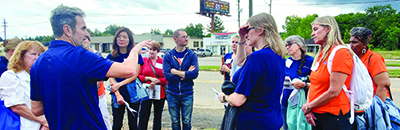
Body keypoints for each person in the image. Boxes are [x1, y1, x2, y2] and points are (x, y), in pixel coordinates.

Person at [30, 5, 152, 129]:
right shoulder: (81, 56)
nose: (87, 33)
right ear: (67, 30)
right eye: (83, 28)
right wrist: (135, 49)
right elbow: (129, 70)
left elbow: (36, 109)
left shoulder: (38, 63)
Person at [218, 12, 287, 129]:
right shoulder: (278, 55)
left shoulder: (257, 57)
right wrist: (241, 38)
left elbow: (238, 100)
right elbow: (239, 62)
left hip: (252, 121)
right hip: (270, 120)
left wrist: (224, 97)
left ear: (260, 30)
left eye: (248, 29)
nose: (246, 35)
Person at [302, 16, 353, 130]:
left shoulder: (340, 53)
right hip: (317, 113)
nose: (312, 34)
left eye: (315, 29)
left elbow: (334, 91)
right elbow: (314, 84)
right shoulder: (322, 54)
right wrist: (310, 108)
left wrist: (309, 106)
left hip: (333, 116)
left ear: (328, 29)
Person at [349, 27, 391, 129]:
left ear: (364, 44)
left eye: (355, 42)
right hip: (358, 107)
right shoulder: (353, 58)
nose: (351, 45)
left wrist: (375, 110)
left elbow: (383, 84)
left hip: (371, 107)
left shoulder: (374, 58)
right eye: (350, 42)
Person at [0, 41, 48, 129]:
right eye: (33, 54)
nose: (37, 58)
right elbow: (16, 107)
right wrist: (43, 121)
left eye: (40, 55)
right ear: (21, 56)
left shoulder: (42, 77)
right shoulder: (10, 76)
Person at [106, 27, 143, 130]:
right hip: (116, 92)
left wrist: (120, 84)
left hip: (132, 92)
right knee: (117, 124)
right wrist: (117, 92)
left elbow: (134, 75)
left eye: (124, 37)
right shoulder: (111, 56)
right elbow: (110, 75)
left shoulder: (135, 55)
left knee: (133, 124)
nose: (121, 39)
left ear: (129, 40)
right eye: (119, 36)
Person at [163, 29, 199, 130]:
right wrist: (186, 74)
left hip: (187, 93)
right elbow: (167, 76)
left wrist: (175, 72)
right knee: (174, 121)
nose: (186, 39)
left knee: (187, 121)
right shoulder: (168, 55)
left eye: (187, 36)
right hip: (172, 93)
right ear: (175, 39)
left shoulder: (192, 55)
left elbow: (195, 74)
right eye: (183, 37)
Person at [281, 35, 314, 130]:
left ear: (299, 45)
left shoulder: (310, 61)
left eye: (290, 44)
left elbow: (317, 84)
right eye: (286, 45)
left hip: (302, 104)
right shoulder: (287, 61)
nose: (287, 47)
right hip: (287, 101)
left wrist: (303, 84)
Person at [138, 40, 168, 130]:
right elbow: (138, 75)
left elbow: (167, 77)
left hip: (160, 92)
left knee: (158, 115)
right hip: (146, 91)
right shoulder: (143, 61)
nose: (151, 51)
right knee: (143, 114)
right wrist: (149, 79)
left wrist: (158, 81)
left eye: (154, 50)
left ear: (158, 51)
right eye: (150, 49)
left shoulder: (163, 62)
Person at [83, 36, 111, 130]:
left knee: (104, 115)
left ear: (89, 41)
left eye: (85, 39)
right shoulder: (78, 55)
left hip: (98, 92)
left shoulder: (96, 54)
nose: (84, 42)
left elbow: (101, 73)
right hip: (84, 93)